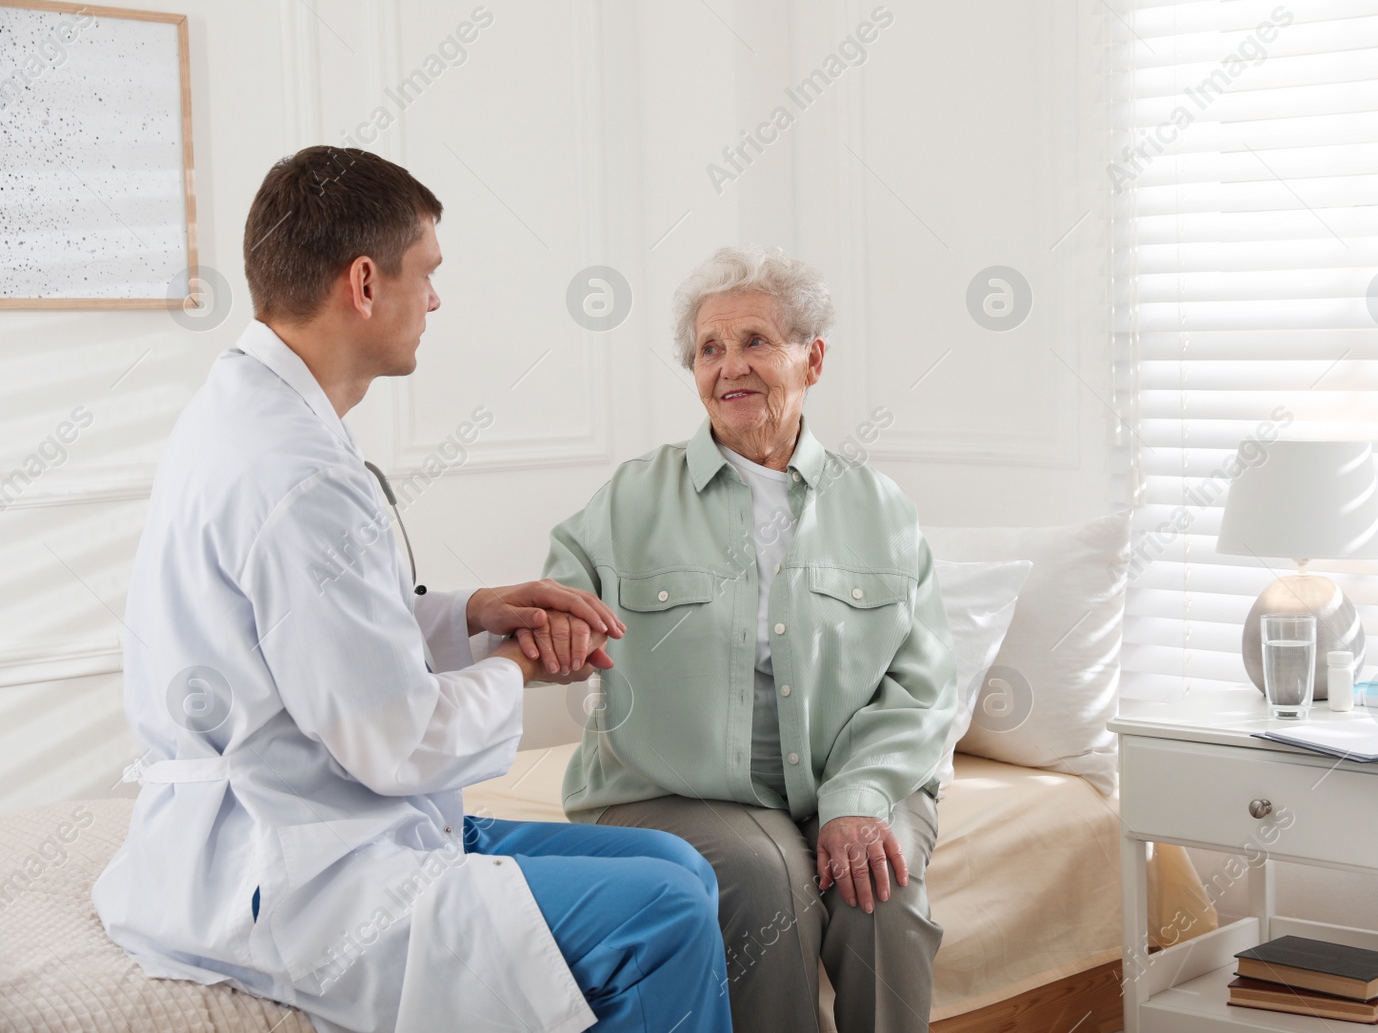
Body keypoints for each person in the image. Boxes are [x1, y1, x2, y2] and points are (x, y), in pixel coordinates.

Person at [92, 146, 734, 1033]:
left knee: (681, 864)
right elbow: (391, 741)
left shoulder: (249, 412)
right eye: (426, 273)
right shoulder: (296, 472)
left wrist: (473, 613)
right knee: (665, 915)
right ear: (364, 282)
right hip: (299, 864)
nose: (434, 300)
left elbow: (314, 632)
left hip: (325, 819)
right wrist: (518, 666)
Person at [545, 246, 958, 1032]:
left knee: (885, 891)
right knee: (767, 879)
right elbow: (555, 601)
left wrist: (859, 798)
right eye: (710, 348)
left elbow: (924, 686)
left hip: (856, 773)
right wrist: (552, 629)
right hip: (677, 787)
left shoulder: (882, 509)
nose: (730, 366)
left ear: (814, 357)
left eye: (756, 341)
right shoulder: (631, 497)